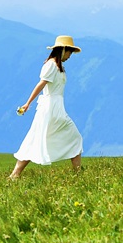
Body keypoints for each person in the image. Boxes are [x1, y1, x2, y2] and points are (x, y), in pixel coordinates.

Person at [9, 35, 84, 179]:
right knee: (73, 137)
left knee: (38, 138)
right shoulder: (51, 65)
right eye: (69, 52)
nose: (70, 56)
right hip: (51, 109)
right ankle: (78, 174)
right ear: (63, 50)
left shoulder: (58, 66)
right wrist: (28, 103)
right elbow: (41, 84)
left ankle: (15, 174)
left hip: (56, 107)